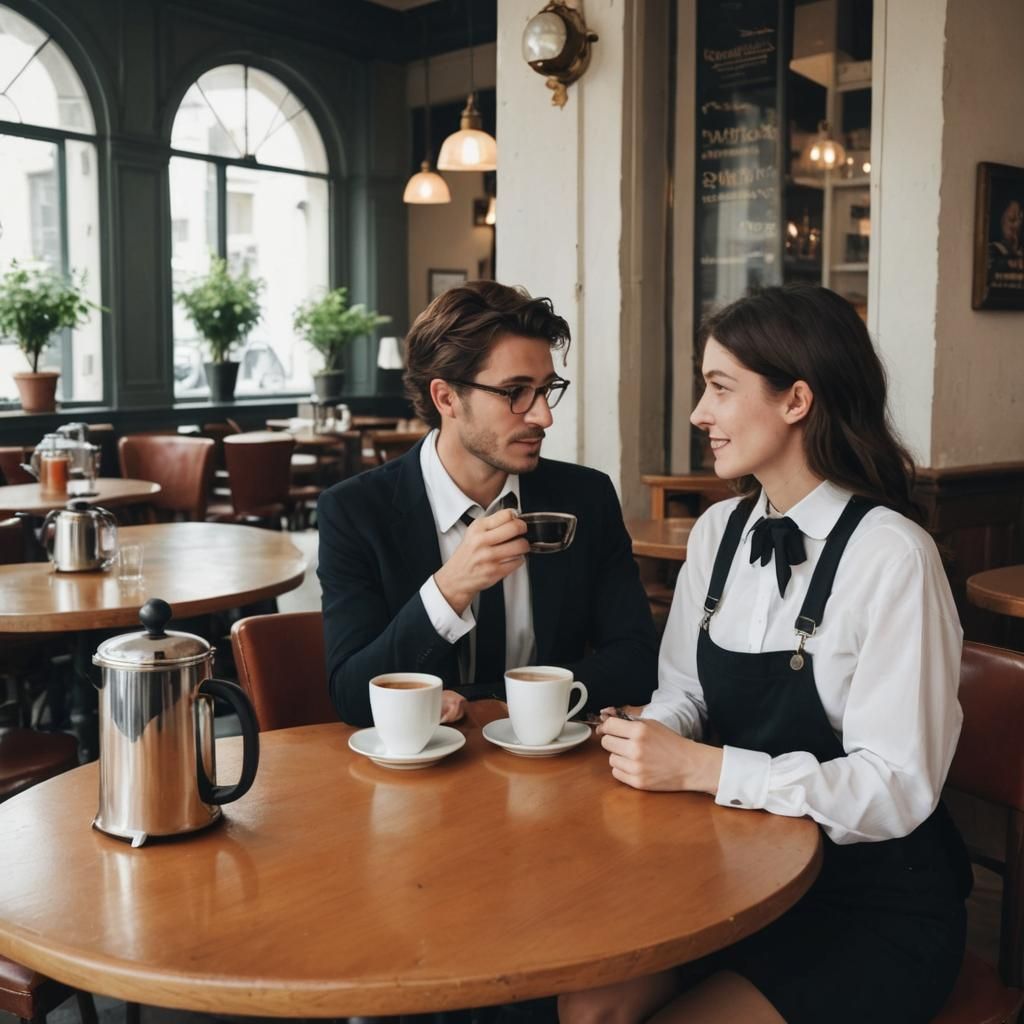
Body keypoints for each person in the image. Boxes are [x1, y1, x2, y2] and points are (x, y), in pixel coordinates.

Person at [560, 285, 970, 1024]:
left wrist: (706, 769)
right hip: (729, 876)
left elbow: (897, 788)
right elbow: (685, 690)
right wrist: (653, 736)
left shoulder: (894, 557)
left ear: (796, 400)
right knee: (591, 1007)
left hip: (868, 903)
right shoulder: (718, 532)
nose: (698, 414)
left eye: (720, 387)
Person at [317, 280, 658, 727]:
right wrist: (450, 589)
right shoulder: (355, 511)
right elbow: (352, 696)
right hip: (420, 781)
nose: (543, 416)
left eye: (546, 389)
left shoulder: (585, 498)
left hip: (557, 774)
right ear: (446, 398)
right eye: (515, 392)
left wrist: (493, 701)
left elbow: (636, 663)